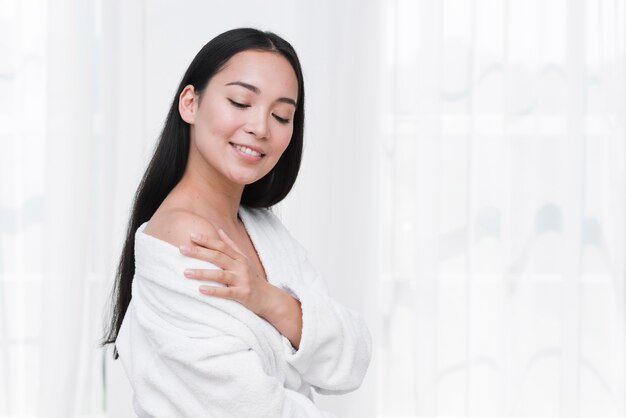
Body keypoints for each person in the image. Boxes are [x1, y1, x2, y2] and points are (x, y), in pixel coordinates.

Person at [101, 28, 372, 417]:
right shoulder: (183, 238)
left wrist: (266, 297)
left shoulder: (264, 230)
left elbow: (352, 359)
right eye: (241, 101)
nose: (261, 128)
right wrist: (297, 327)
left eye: (281, 115)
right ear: (190, 103)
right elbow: (246, 407)